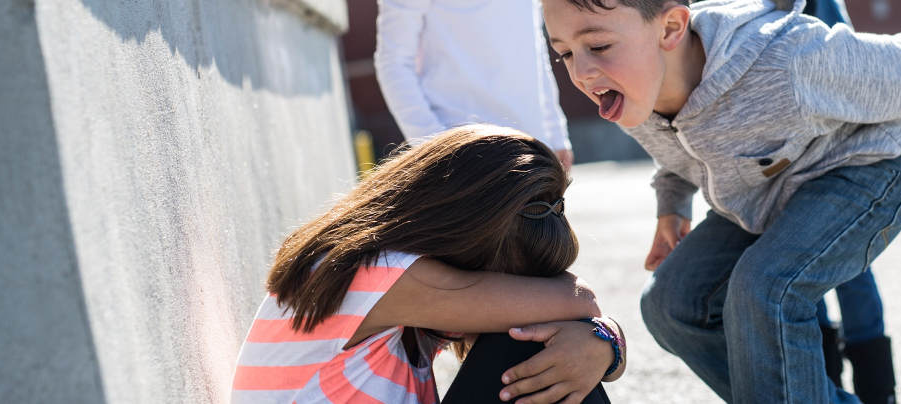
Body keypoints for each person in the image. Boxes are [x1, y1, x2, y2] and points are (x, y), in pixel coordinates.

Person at [538, 0, 901, 403]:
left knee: (765, 288)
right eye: (562, 52)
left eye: (599, 45)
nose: (581, 72)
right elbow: (683, 146)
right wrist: (671, 205)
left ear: (671, 29)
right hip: (768, 190)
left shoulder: (787, 60)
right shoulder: (630, 83)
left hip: (871, 169)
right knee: (670, 304)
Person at [230, 125, 626, 404]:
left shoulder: (403, 288)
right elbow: (581, 301)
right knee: (522, 343)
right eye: (505, 282)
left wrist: (602, 344)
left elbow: (572, 316)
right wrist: (601, 335)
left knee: (543, 343)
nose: (514, 296)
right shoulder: (376, 273)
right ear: (464, 239)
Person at [692, 0, 891, 401]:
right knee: (792, 273)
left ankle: (877, 389)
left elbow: (845, 55)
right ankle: (822, 383)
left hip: (827, 140)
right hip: (763, 157)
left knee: (851, 270)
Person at [375, 0, 574, 169]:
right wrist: (438, 150)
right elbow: (394, 61)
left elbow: (534, 49)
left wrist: (555, 134)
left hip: (534, 149)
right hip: (468, 161)